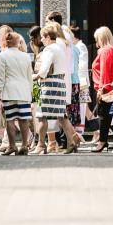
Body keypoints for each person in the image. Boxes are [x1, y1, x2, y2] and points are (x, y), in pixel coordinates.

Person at [31, 25, 78, 154]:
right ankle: (71, 143)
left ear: (47, 37)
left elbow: (44, 70)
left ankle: (41, 145)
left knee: (42, 116)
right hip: (60, 84)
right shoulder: (60, 48)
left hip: (50, 85)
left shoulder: (49, 49)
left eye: (42, 37)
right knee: (62, 116)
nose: (41, 40)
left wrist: (34, 76)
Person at [0, 31, 34, 155]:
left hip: (9, 91)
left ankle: (12, 146)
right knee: (23, 119)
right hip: (23, 90)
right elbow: (29, 76)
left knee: (10, 119)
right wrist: (31, 90)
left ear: (6, 43)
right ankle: (24, 145)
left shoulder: (2, 56)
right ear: (18, 42)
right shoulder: (26, 56)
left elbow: (0, 76)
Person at [90, 26, 113, 153]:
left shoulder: (105, 51)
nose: (96, 42)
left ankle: (102, 142)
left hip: (107, 89)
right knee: (109, 118)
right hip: (109, 87)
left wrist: (101, 89)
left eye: (97, 38)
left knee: (104, 117)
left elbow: (104, 71)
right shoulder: (110, 50)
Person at [69, 25, 91, 137]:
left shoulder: (80, 46)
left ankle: (95, 132)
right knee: (86, 111)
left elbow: (82, 64)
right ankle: (97, 131)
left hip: (81, 82)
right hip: (79, 81)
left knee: (84, 110)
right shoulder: (76, 46)